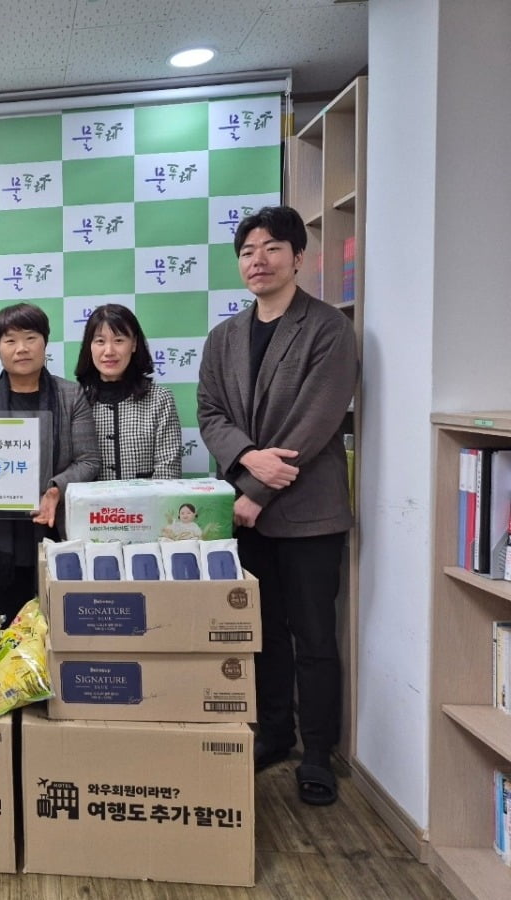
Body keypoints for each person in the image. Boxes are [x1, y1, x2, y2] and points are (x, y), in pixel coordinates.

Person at [197, 205, 357, 807]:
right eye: (247, 252)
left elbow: (316, 420)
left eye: (271, 249)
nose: (257, 261)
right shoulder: (224, 337)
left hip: (307, 512)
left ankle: (317, 752)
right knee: (260, 631)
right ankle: (273, 732)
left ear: (298, 257)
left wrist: (256, 490)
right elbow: (210, 412)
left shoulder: (328, 328)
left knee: (314, 635)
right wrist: (245, 460)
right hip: (244, 508)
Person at [0, 302, 99, 620]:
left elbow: (89, 460)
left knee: (59, 624)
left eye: (30, 337)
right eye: (10, 340)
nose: (21, 348)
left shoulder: (70, 395)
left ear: (45, 342)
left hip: (54, 529)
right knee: (10, 626)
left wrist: (55, 490)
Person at [74, 303, 182, 480]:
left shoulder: (159, 399)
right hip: (90, 499)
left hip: (148, 498)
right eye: (100, 341)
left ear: (134, 344)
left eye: (119, 340)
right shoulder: (76, 401)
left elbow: (168, 470)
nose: (109, 351)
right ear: (89, 346)